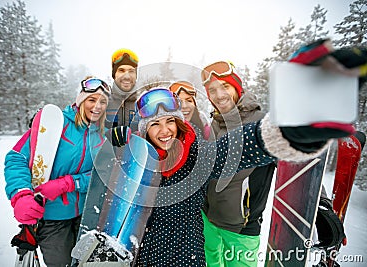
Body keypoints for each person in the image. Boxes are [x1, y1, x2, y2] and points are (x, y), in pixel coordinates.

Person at [129, 87, 346, 266]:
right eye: (155, 124)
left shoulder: (195, 155)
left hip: (186, 251)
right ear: (145, 129)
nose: (164, 131)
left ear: (178, 123)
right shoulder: (137, 161)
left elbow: (231, 150)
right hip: (147, 250)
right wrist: (120, 141)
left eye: (169, 121)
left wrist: (274, 135)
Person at [4, 76, 110, 267]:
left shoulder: (101, 134)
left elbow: (102, 174)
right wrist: (21, 195)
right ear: (81, 100)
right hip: (52, 218)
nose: (98, 106)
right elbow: (16, 158)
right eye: (92, 100)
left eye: (103, 101)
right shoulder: (56, 125)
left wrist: (69, 183)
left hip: (87, 216)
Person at [200, 61, 276, 266]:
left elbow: (295, 156)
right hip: (208, 220)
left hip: (242, 230)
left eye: (225, 86)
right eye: (212, 90)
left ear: (237, 86)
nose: (219, 95)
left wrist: (319, 203)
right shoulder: (213, 123)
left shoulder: (262, 123)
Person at [106, 48, 141, 130]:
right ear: (114, 74)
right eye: (121, 70)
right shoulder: (102, 102)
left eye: (131, 71)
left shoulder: (143, 104)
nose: (126, 76)